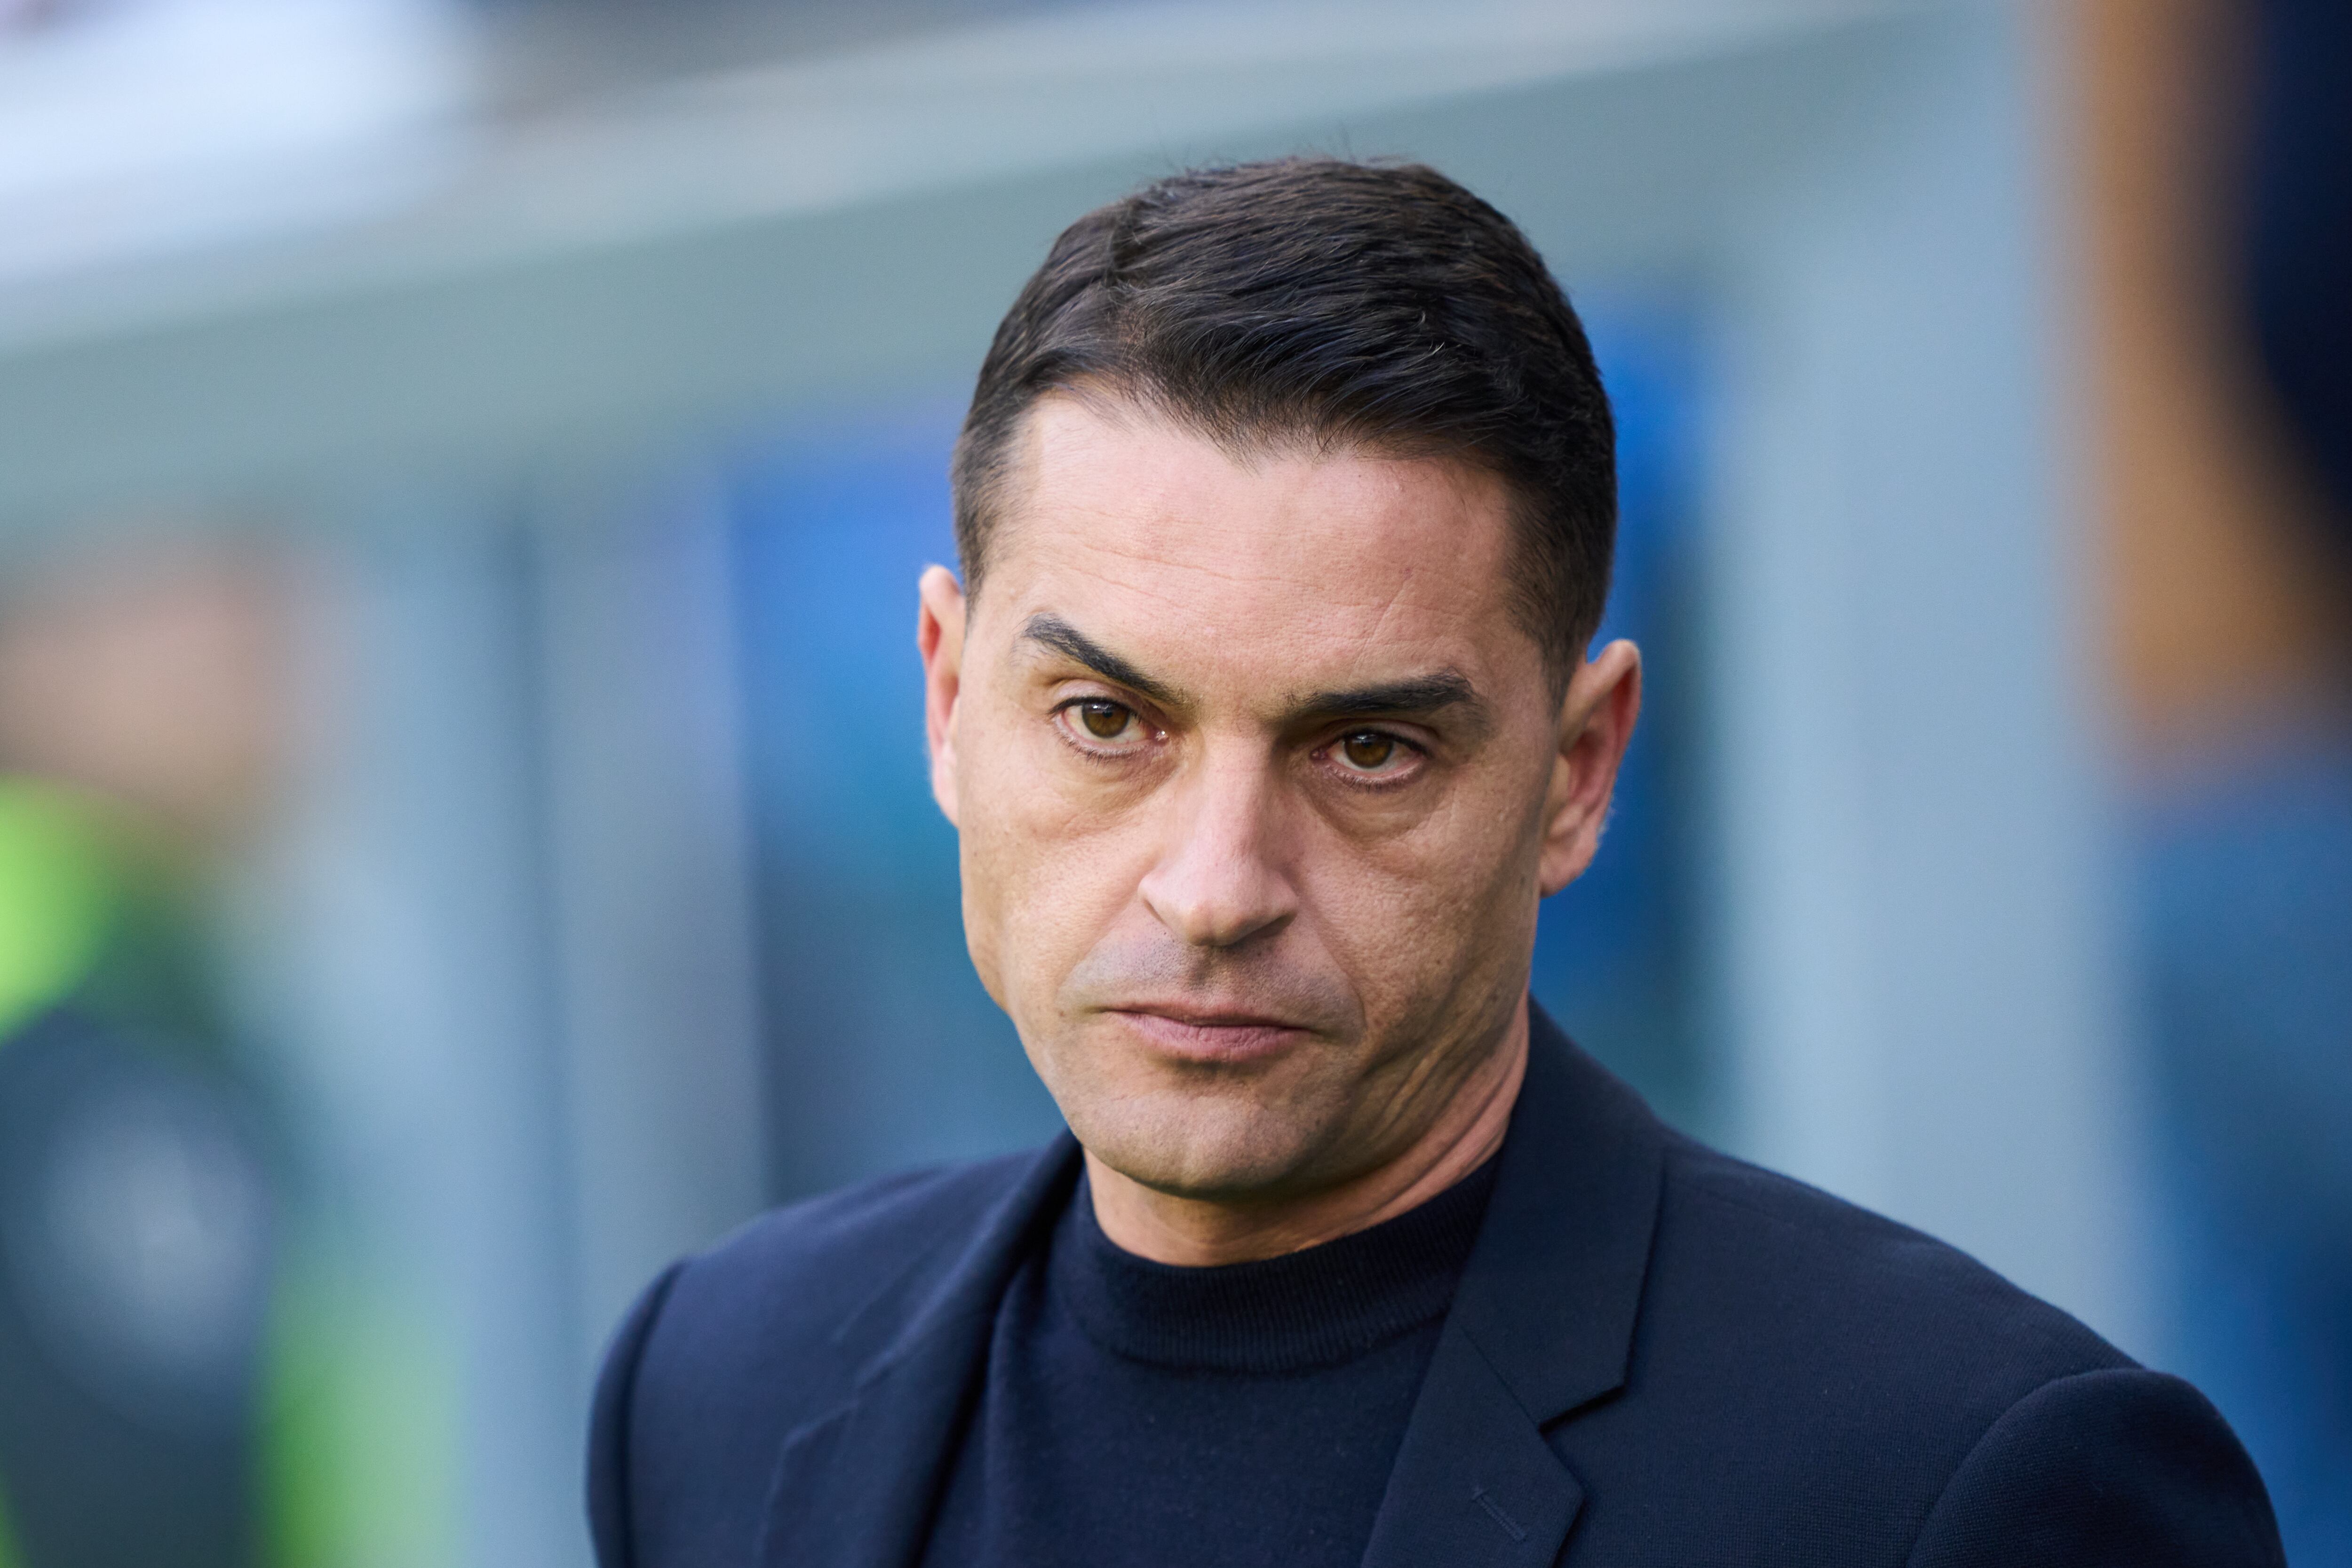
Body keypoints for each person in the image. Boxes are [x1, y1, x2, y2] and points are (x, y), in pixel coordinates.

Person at [586, 157, 2283, 1567]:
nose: (1216, 883)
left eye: (1367, 750)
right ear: (951, 702)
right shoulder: (716, 1387)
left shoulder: (1965, 1488)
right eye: (1110, 722)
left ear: (1577, 772)